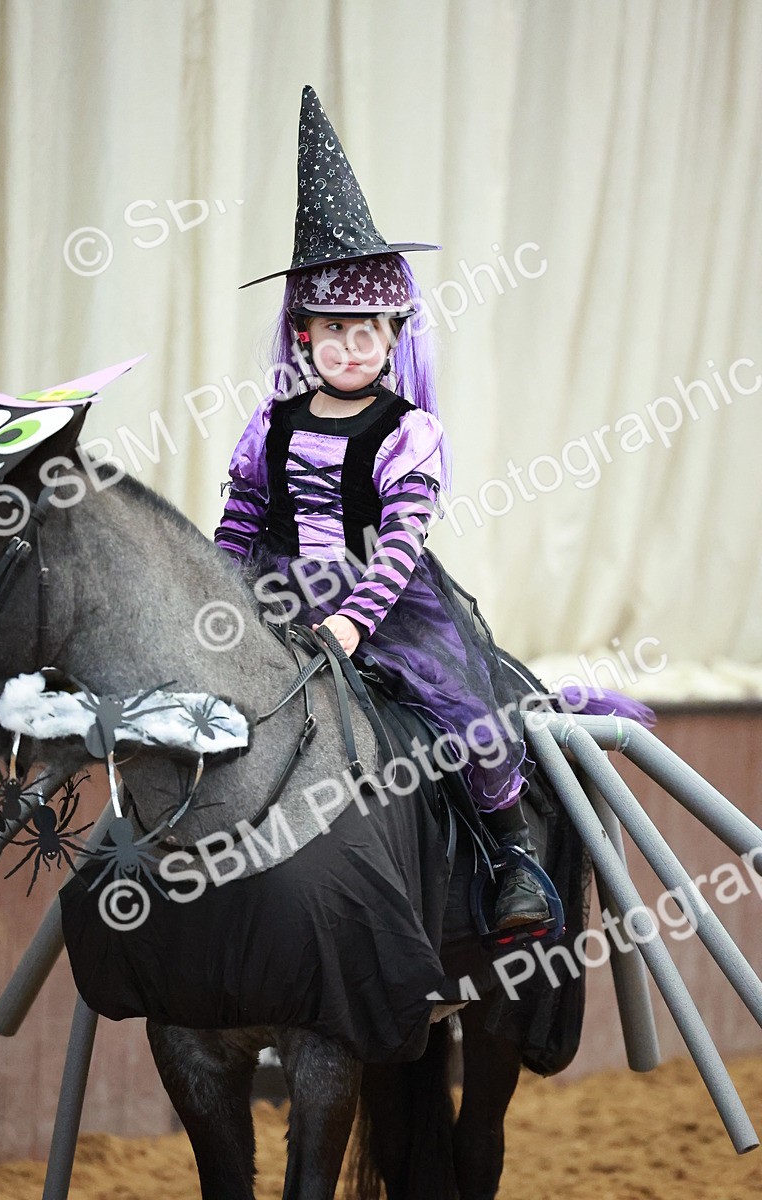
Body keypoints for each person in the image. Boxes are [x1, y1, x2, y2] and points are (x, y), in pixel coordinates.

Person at [215, 85, 550, 936]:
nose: (353, 343)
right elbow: (244, 516)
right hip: (276, 596)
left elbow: (402, 542)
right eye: (334, 327)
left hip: (384, 604)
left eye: (370, 327)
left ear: (396, 331)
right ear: (303, 335)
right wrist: (215, 594)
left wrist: (357, 623)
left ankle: (512, 858)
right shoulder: (270, 425)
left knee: (466, 713)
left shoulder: (410, 432)